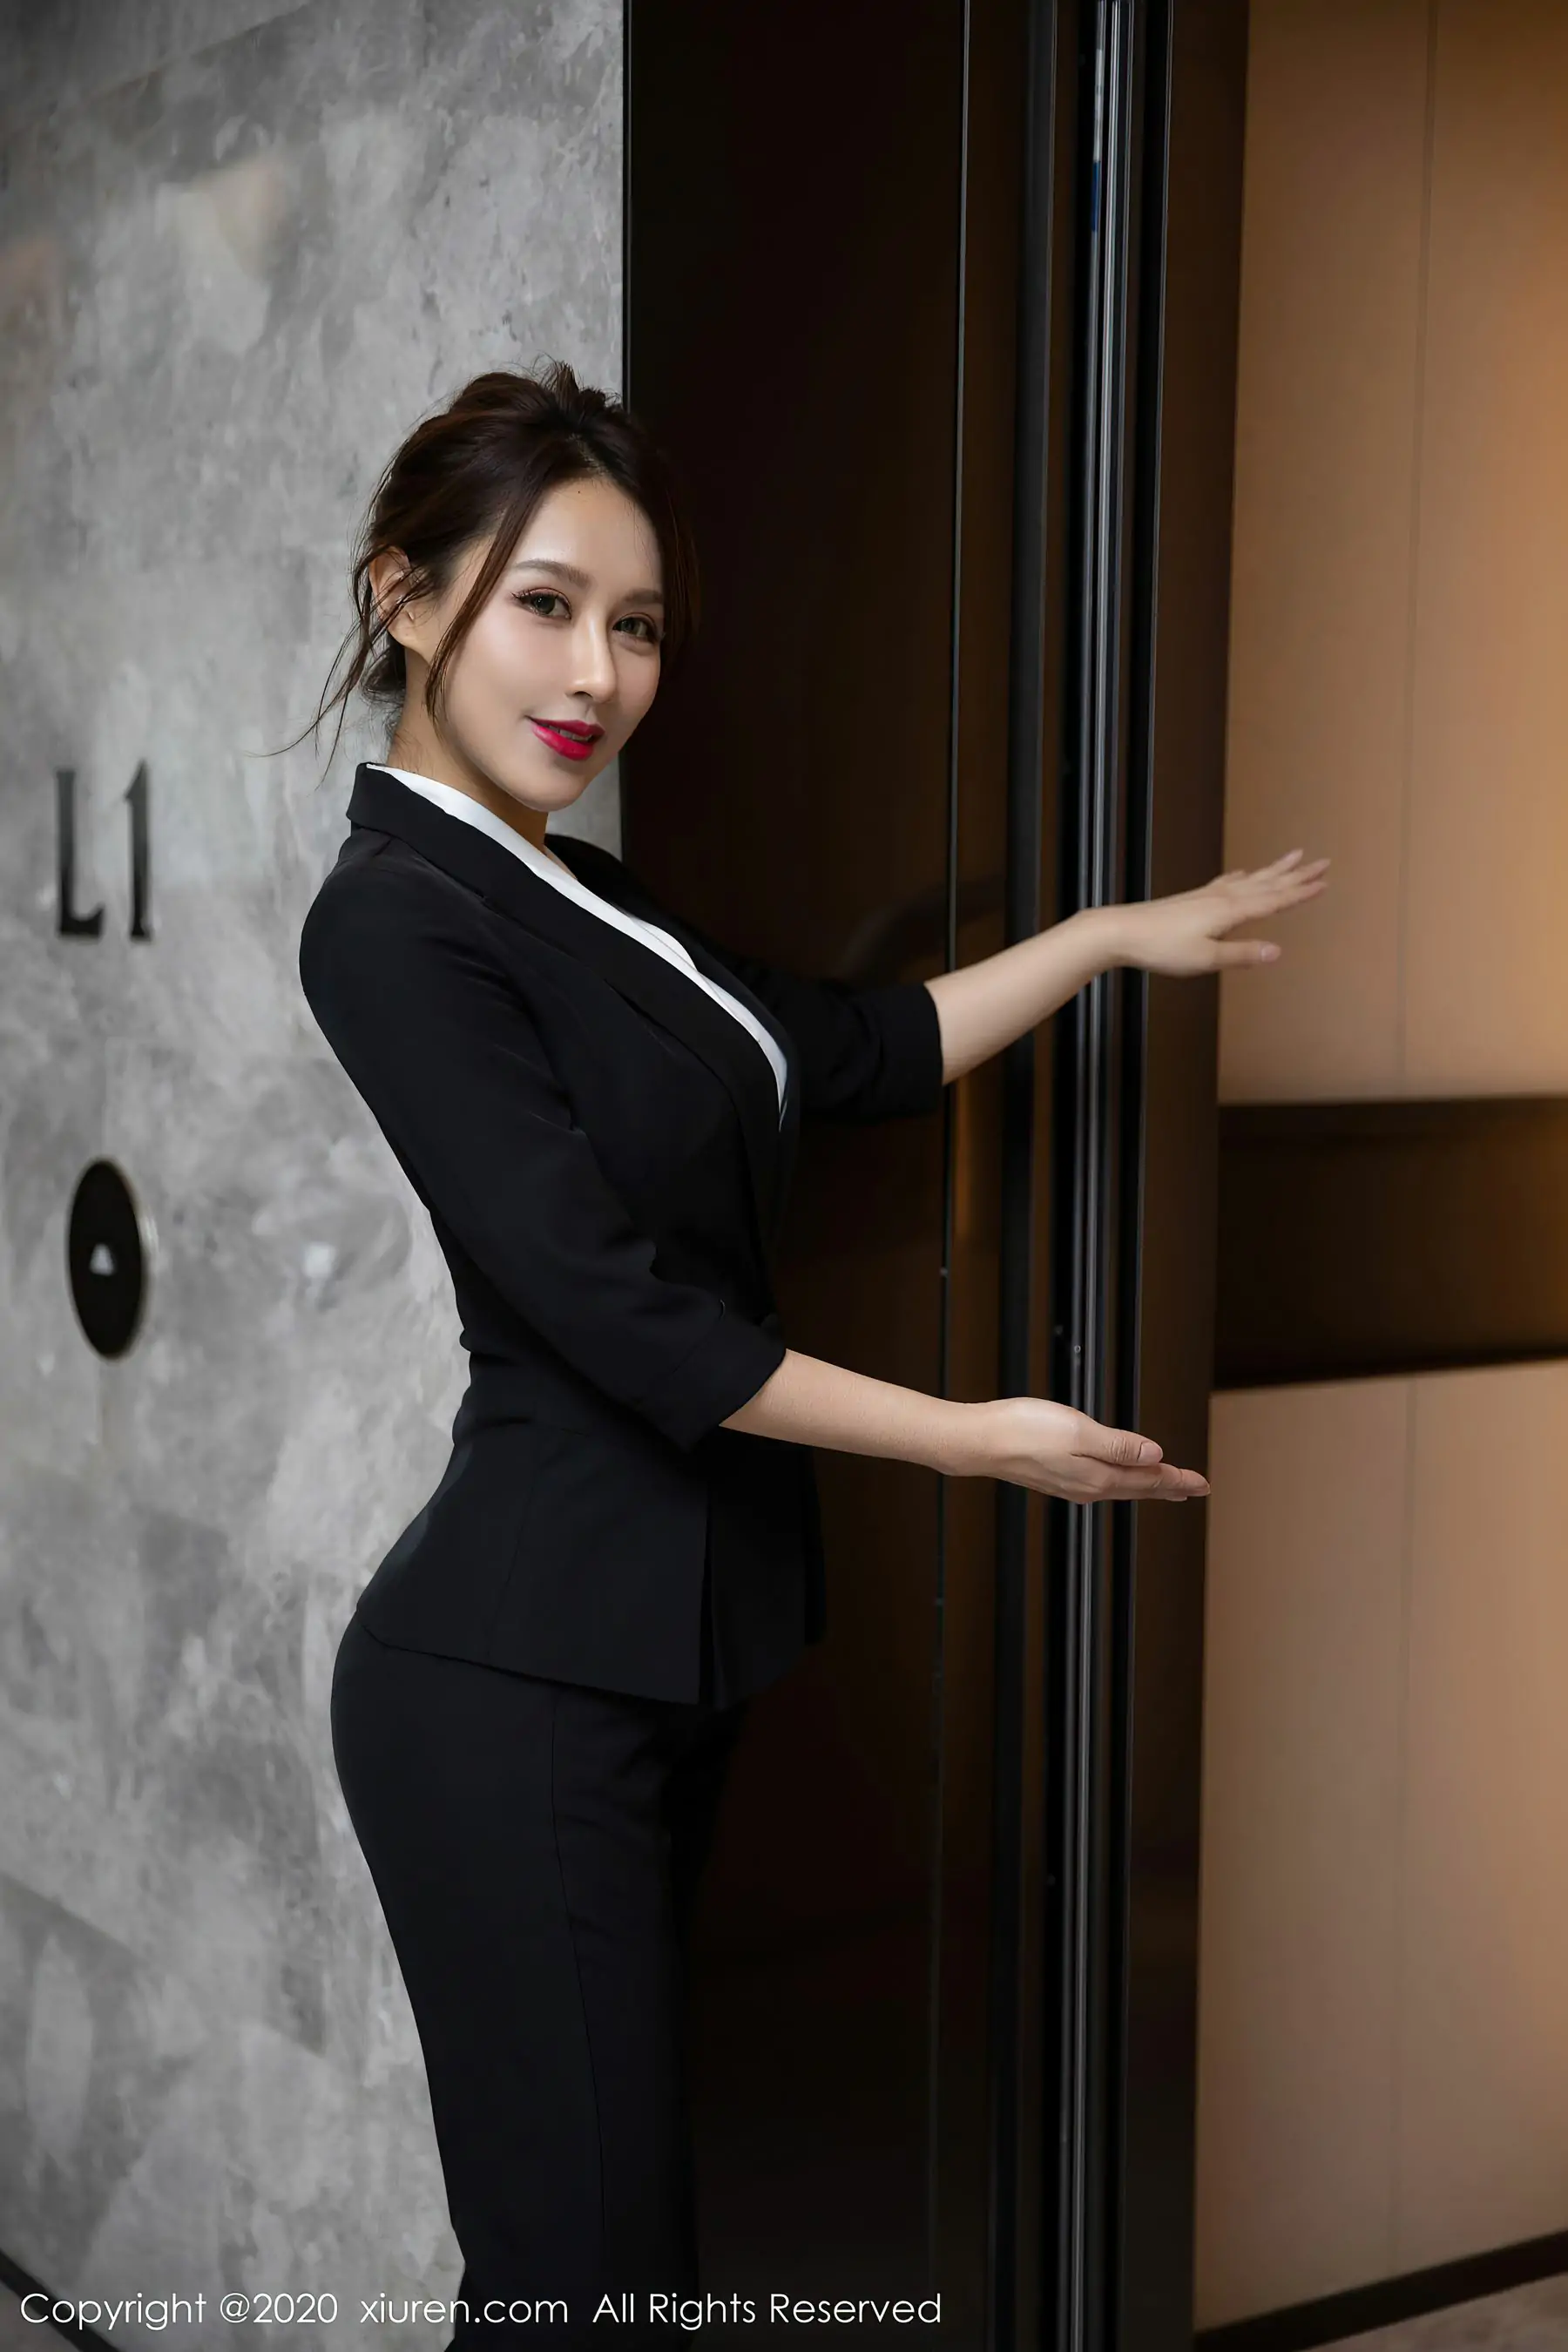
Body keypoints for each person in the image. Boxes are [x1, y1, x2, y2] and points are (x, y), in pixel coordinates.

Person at [288, 361, 1320, 2344]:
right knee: (594, 2281)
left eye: (638, 625)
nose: (598, 672)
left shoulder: (574, 893)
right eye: (545, 603)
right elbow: (620, 1311)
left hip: (658, 1659)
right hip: (513, 1692)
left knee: (590, 2270)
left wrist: (1109, 935)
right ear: (402, 598)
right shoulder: (395, 922)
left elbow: (850, 1049)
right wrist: (973, 1439)